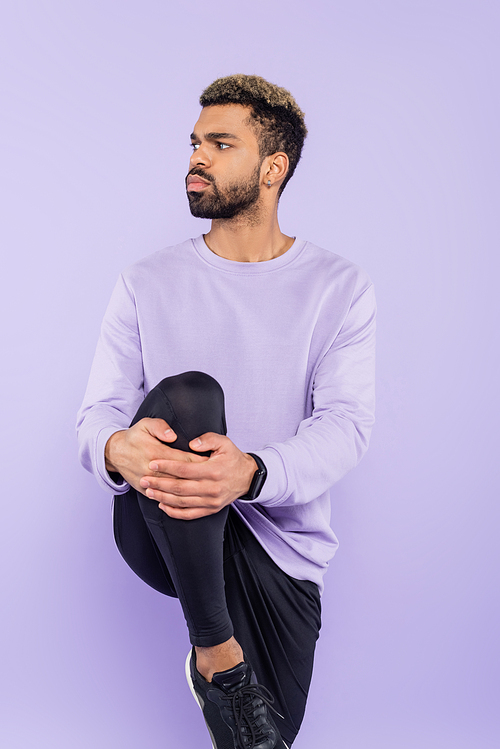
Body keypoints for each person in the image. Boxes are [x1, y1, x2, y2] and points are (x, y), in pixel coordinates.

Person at [76, 73, 376, 749]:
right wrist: (115, 448)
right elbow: (95, 417)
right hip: (162, 518)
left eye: (219, 142)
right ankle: (216, 652)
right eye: (193, 142)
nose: (196, 158)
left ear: (273, 168)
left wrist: (251, 473)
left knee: (262, 743)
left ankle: (226, 665)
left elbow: (345, 426)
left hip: (281, 550)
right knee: (190, 395)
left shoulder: (339, 287)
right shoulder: (145, 281)